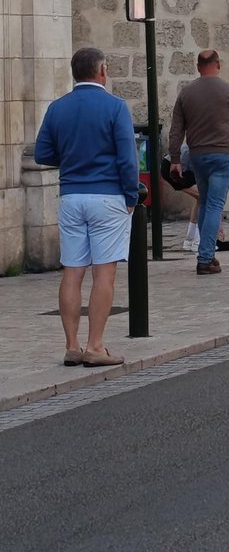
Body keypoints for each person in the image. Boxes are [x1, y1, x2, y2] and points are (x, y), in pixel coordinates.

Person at [33, 47, 140, 368]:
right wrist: (132, 196)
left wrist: (70, 157)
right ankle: (95, 345)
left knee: (73, 271)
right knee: (104, 273)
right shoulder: (115, 107)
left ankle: (71, 345)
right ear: (102, 71)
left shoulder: (57, 108)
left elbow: (42, 153)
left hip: (71, 195)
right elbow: (127, 159)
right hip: (107, 196)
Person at [168, 49, 229, 276]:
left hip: (198, 154)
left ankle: (208, 254)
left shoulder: (186, 93)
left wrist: (176, 159)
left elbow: (176, 130)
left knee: (207, 203)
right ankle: (205, 257)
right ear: (218, 65)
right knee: (215, 205)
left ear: (198, 67)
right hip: (223, 155)